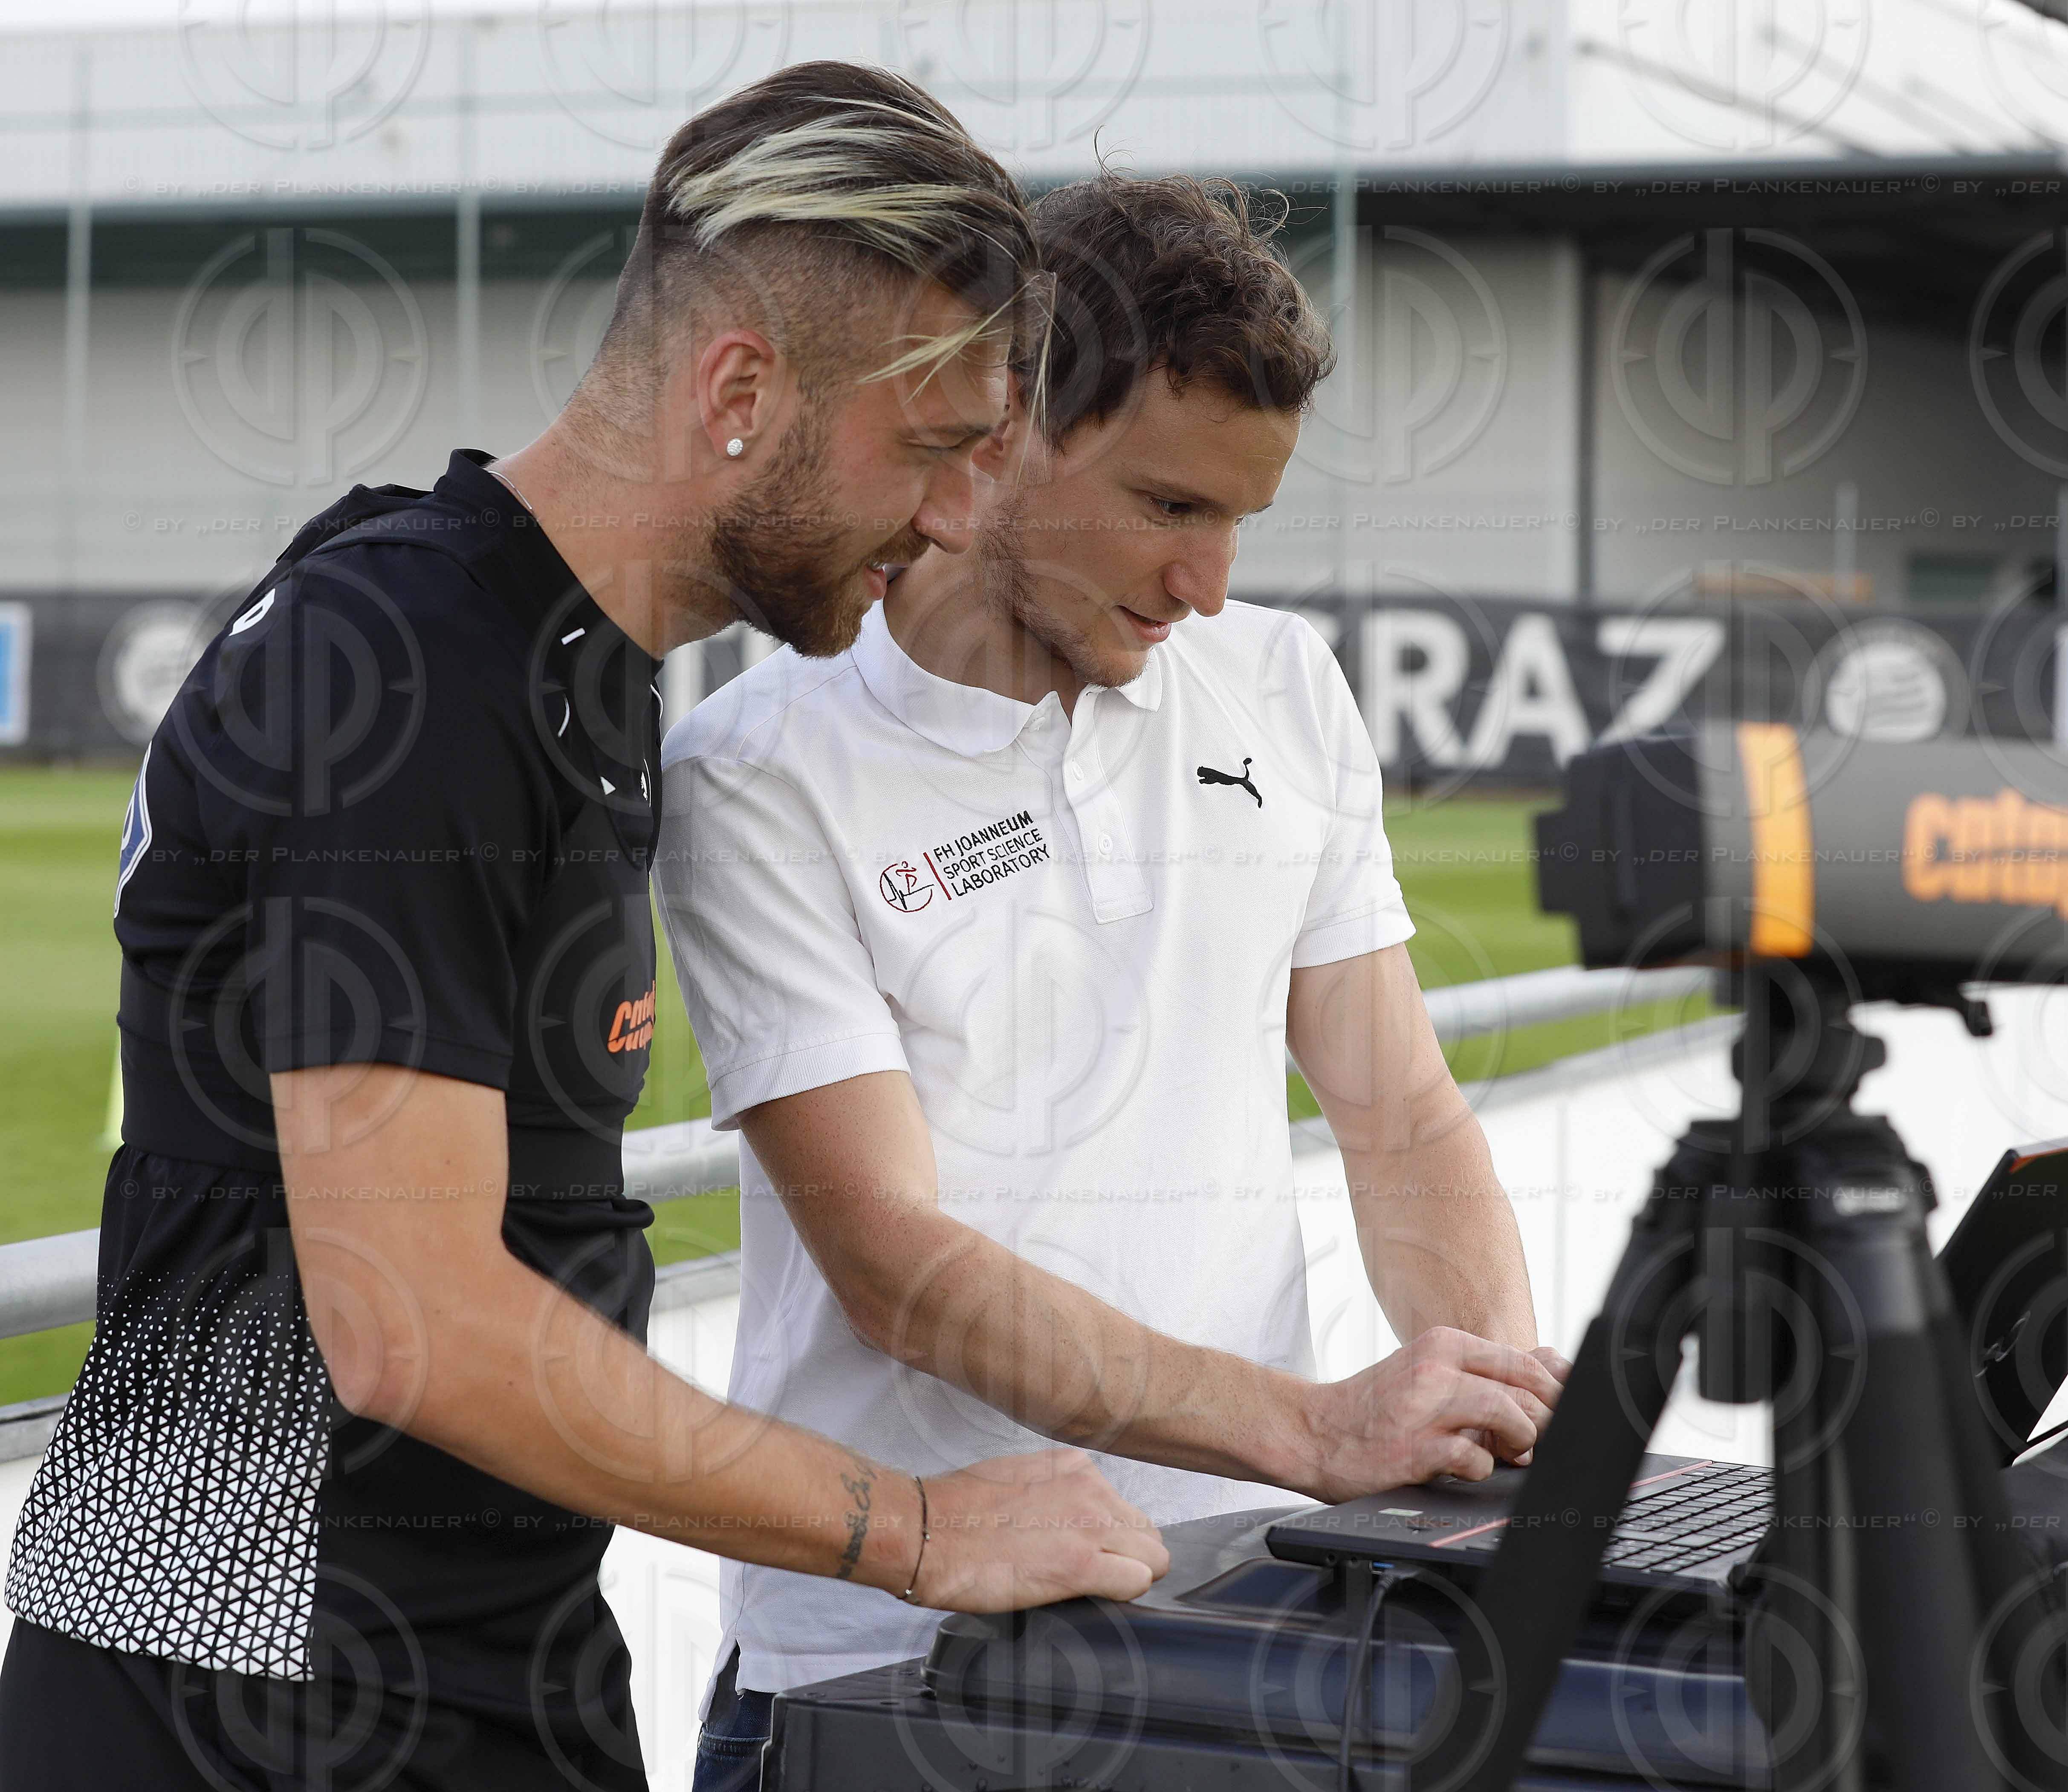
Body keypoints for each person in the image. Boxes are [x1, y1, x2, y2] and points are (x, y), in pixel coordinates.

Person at [0, 64, 1166, 1792]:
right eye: (928, 450)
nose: (949, 517)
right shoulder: (399, 659)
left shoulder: (555, 661)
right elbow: (417, 1319)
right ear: (741, 390)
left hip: (481, 1670)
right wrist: (916, 1527)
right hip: (231, 1691)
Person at [655, 173, 1571, 1784]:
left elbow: (1399, 1109)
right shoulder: (756, 771)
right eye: (1167, 507)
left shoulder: (1279, 680)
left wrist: (1488, 1418)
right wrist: (1313, 1428)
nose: (1206, 583)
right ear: (999, 431)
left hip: (1242, 1620)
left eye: (1239, 523)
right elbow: (899, 1271)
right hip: (889, 1662)